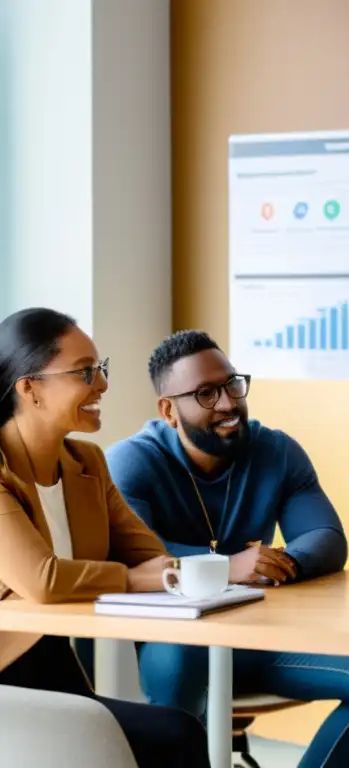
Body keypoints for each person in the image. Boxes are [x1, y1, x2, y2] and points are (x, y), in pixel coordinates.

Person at [105, 330, 349, 768]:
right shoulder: (133, 461)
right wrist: (228, 567)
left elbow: (326, 538)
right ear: (168, 410)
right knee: (182, 663)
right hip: (176, 642)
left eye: (232, 384)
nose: (229, 402)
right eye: (206, 393)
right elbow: (134, 557)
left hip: (259, 640)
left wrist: (278, 562)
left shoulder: (277, 451)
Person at [0, 307, 210, 768]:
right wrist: (133, 580)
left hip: (53, 672)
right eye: (84, 372)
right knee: (175, 735)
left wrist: (154, 572)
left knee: (170, 734)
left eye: (101, 368)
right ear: (29, 387)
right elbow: (44, 581)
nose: (102, 384)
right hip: (8, 689)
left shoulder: (87, 464)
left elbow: (152, 557)